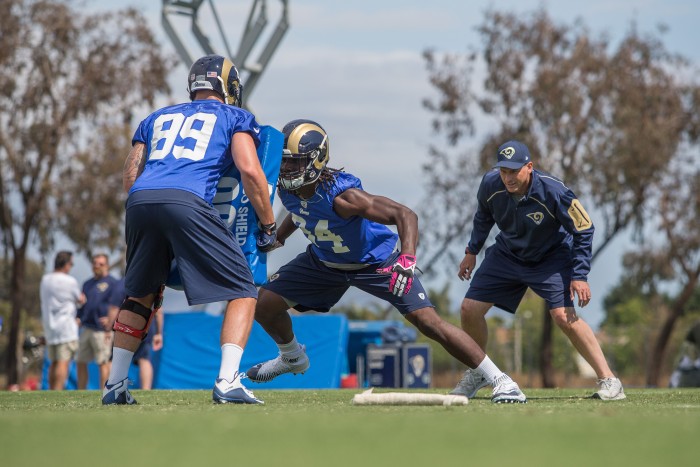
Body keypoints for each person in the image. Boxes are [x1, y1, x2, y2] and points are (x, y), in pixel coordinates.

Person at [245, 119, 526, 403]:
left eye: (295, 163)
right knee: (265, 304)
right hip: (325, 262)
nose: (286, 170)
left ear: (316, 160)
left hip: (375, 263)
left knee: (429, 323)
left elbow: (406, 215)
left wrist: (406, 257)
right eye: (285, 162)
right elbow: (299, 211)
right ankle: (292, 356)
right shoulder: (288, 190)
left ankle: (502, 380)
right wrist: (278, 236)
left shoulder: (344, 198)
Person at [102, 54, 277, 405]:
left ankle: (114, 385)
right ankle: (228, 381)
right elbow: (251, 170)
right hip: (186, 200)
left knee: (141, 294)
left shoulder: (156, 116)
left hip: (138, 201)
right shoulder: (235, 115)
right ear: (229, 87)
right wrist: (269, 225)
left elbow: (130, 175)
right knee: (244, 289)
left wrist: (148, 211)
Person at [451, 140, 626, 401]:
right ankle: (478, 371)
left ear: (529, 167)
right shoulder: (490, 184)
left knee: (562, 316)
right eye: (503, 171)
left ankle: (610, 382)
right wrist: (471, 251)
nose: (507, 177)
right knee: (469, 309)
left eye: (513, 171)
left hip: (551, 257)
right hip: (508, 254)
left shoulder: (555, 191)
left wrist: (579, 275)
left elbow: (584, 228)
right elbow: (483, 216)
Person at [40, 251, 86, 390]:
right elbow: (80, 299)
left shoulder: (45, 280)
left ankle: (51, 390)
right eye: (71, 264)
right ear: (66, 264)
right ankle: (57, 391)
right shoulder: (70, 281)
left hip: (50, 327)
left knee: (53, 362)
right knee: (63, 362)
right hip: (66, 327)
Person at [107, 277, 164, 389]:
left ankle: (112, 388)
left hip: (124, 327)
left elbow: (114, 309)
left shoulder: (122, 283)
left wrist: (108, 329)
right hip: (146, 326)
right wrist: (159, 333)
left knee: (115, 359)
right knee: (144, 359)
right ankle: (146, 389)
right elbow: (159, 311)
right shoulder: (152, 281)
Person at [76, 253, 118, 390]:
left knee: (103, 362)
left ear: (107, 265)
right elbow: (83, 304)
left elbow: (119, 304)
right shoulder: (87, 284)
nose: (97, 266)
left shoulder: (113, 283)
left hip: (102, 330)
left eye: (100, 264)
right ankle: (80, 393)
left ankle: (104, 393)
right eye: (94, 263)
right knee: (80, 361)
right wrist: (79, 317)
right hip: (87, 328)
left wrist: (112, 320)